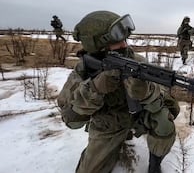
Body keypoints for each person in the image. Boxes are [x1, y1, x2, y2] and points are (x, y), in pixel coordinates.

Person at [57, 10, 179, 173]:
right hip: (108, 124)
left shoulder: (137, 62)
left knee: (164, 121)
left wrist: (148, 92)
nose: (125, 45)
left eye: (124, 39)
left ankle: (155, 164)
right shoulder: (84, 69)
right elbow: (71, 120)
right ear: (98, 46)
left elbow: (171, 105)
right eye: (117, 41)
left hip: (137, 117)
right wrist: (94, 88)